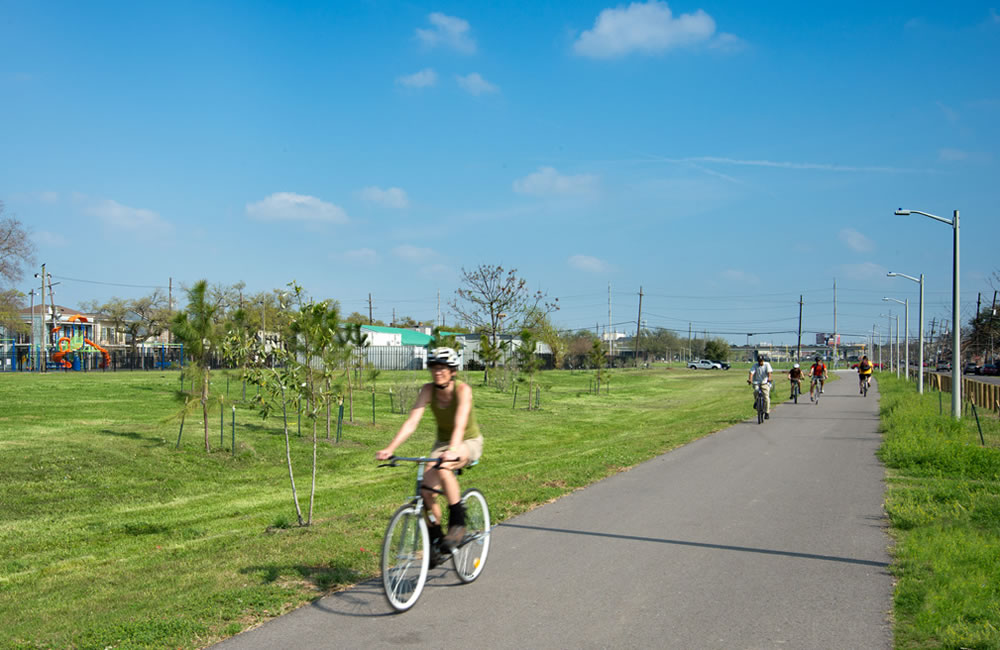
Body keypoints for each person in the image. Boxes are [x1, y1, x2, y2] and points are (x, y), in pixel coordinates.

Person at [376, 347, 484, 555]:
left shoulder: (463, 390)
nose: (438, 372)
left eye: (443, 368)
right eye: (434, 368)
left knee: (444, 468)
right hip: (443, 443)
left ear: (453, 370)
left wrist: (452, 451)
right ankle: (436, 539)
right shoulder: (427, 390)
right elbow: (412, 422)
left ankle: (458, 523)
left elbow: (460, 425)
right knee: (425, 491)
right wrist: (390, 448)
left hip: (468, 441)